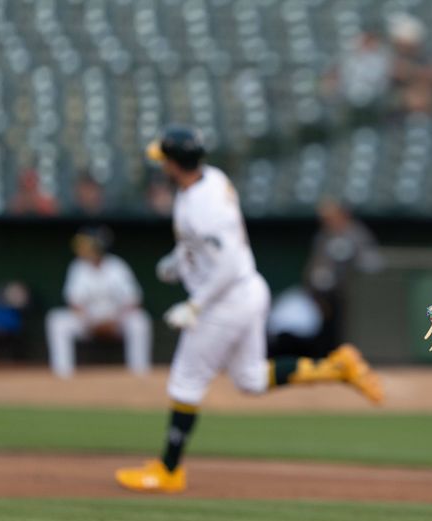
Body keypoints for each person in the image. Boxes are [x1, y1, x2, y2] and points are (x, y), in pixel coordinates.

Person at [115, 125, 384, 494]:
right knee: (251, 379)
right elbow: (202, 245)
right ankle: (336, 367)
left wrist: (195, 304)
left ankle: (168, 470)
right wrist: (179, 261)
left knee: (186, 381)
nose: (161, 166)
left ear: (175, 164)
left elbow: (224, 264)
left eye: (164, 160)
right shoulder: (209, 179)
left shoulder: (202, 206)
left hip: (226, 299)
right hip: (246, 290)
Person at [45, 226, 152, 378]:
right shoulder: (78, 267)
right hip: (88, 319)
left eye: (87, 244)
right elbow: (74, 302)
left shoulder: (117, 266)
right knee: (56, 320)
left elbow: (134, 300)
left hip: (117, 319)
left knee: (140, 320)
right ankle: (63, 374)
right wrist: (91, 321)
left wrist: (115, 320)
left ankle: (139, 373)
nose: (82, 248)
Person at [304, 199, 384, 354]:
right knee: (327, 331)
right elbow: (315, 266)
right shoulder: (323, 237)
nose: (328, 221)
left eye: (331, 216)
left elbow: (371, 261)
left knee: (350, 329)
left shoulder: (356, 233)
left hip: (355, 297)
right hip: (328, 296)